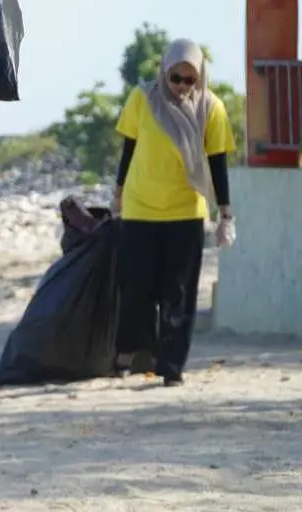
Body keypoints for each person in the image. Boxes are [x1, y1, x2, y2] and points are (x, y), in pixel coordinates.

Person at [112, 38, 236, 387]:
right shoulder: (142, 99)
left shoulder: (211, 109)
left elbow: (218, 163)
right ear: (164, 72)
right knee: (137, 291)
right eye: (175, 78)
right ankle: (130, 351)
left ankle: (171, 367)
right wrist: (117, 195)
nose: (182, 86)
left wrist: (226, 213)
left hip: (186, 212)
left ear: (200, 78)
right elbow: (128, 148)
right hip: (140, 209)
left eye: (189, 80)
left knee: (178, 295)